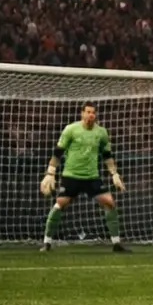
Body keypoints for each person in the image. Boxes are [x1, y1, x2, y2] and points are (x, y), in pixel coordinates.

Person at [39, 103, 129, 253]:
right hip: (71, 175)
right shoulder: (71, 129)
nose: (91, 115)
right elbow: (58, 152)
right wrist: (50, 172)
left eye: (93, 112)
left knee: (110, 203)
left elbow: (107, 155)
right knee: (60, 204)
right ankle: (47, 243)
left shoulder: (101, 132)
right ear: (82, 113)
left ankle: (117, 244)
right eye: (88, 112)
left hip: (91, 177)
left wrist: (114, 174)